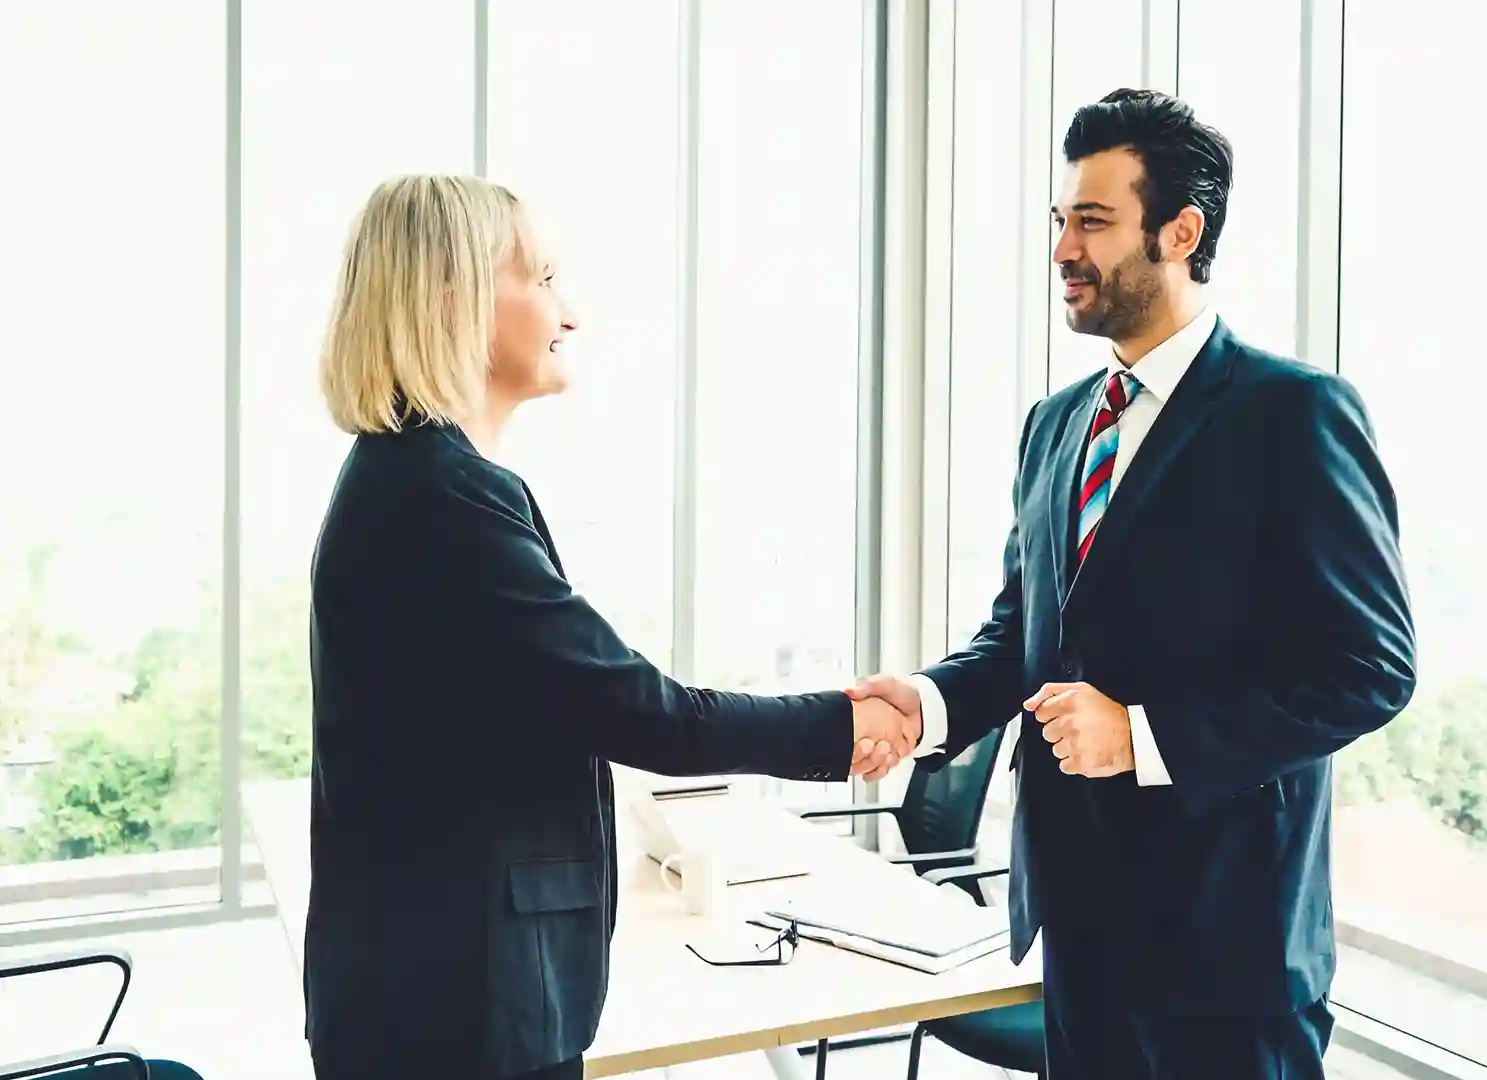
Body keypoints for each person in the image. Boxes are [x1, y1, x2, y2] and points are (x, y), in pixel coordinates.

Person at [849, 89, 1416, 1079]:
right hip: (1076, 937)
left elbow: (1369, 669)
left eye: (1094, 222)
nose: (1064, 248)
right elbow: (1024, 635)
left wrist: (1144, 734)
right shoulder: (1055, 424)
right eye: (1061, 220)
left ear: (1180, 233)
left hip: (1226, 958)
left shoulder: (1294, 416)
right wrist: (931, 700)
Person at [303, 174, 915, 1080]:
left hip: (430, 992)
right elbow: (639, 710)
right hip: (457, 1008)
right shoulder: (442, 497)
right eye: (544, 279)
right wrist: (844, 721)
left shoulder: (413, 481)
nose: (570, 312)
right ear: (453, 295)